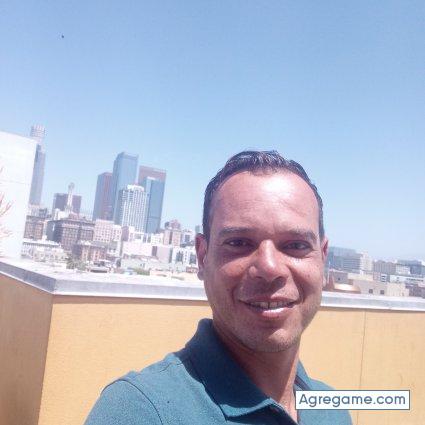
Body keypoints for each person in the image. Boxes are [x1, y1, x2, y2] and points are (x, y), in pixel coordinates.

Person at [85, 150, 352, 424]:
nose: (270, 268)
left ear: (322, 258)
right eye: (239, 243)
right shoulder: (140, 411)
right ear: (202, 257)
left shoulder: (333, 409)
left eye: (296, 245)